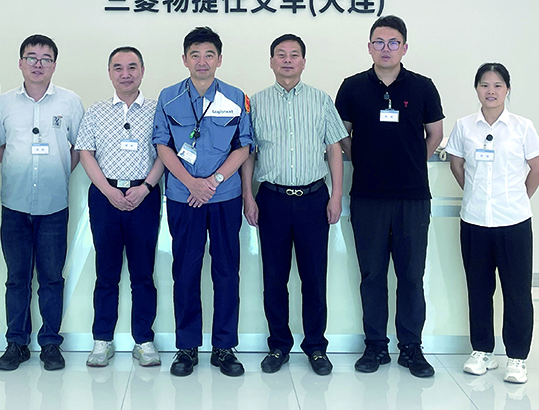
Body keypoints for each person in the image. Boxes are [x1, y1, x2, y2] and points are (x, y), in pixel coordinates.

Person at [335, 15, 443, 378]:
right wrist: (363, 159)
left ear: (404, 48)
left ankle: (411, 347)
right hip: (368, 196)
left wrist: (411, 162)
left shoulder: (423, 87)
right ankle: (376, 346)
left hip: (413, 198)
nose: (386, 49)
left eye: (393, 42)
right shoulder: (352, 87)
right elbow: (342, 134)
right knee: (372, 274)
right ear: (369, 47)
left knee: (411, 275)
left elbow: (435, 134)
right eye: (379, 42)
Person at [242, 34, 347, 375]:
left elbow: (334, 149)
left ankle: (316, 347)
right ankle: (278, 346)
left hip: (313, 200)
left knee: (314, 278)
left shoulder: (321, 100)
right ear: (271, 61)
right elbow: (248, 154)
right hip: (271, 199)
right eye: (281, 54)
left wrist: (335, 195)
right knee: (274, 278)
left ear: (303, 62)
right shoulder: (255, 103)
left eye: (294, 55)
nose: (287, 60)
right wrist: (248, 196)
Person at [153, 26, 253, 377]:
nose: (202, 61)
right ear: (184, 59)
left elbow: (243, 146)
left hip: (224, 196)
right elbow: (162, 145)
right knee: (185, 271)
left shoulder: (236, 97)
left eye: (209, 55)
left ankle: (224, 347)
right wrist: (191, 183)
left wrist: (213, 181)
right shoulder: (168, 98)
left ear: (219, 59)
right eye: (195, 55)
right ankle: (187, 347)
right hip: (183, 197)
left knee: (226, 271)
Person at [445, 63, 539, 384]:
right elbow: (457, 165)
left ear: (507, 90)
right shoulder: (464, 126)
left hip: (513, 221)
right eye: (484, 85)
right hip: (474, 221)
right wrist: (475, 194)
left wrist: (518, 197)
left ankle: (516, 357)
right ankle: (482, 351)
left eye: (498, 85)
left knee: (516, 292)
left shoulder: (522, 127)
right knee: (478, 289)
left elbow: (538, 167)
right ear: (476, 88)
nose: (491, 91)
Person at [0, 35, 84, 371]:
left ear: (54, 65)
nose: (38, 64)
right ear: (20, 63)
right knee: (17, 278)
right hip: (14, 205)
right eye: (31, 57)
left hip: (54, 205)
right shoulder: (3, 103)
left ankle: (50, 343)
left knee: (51, 278)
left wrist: (55, 172)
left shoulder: (70, 102)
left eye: (46, 59)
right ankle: (16, 343)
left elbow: (79, 148)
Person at [76, 47, 165, 367]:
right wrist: (108, 191)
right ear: (109, 73)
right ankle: (102, 340)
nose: (125, 74)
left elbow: (164, 153)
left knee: (143, 274)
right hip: (105, 197)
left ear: (142, 71)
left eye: (132, 67)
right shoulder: (96, 111)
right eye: (118, 68)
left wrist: (146, 187)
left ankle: (144, 341)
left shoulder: (157, 110)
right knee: (106, 273)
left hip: (144, 195)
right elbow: (85, 152)